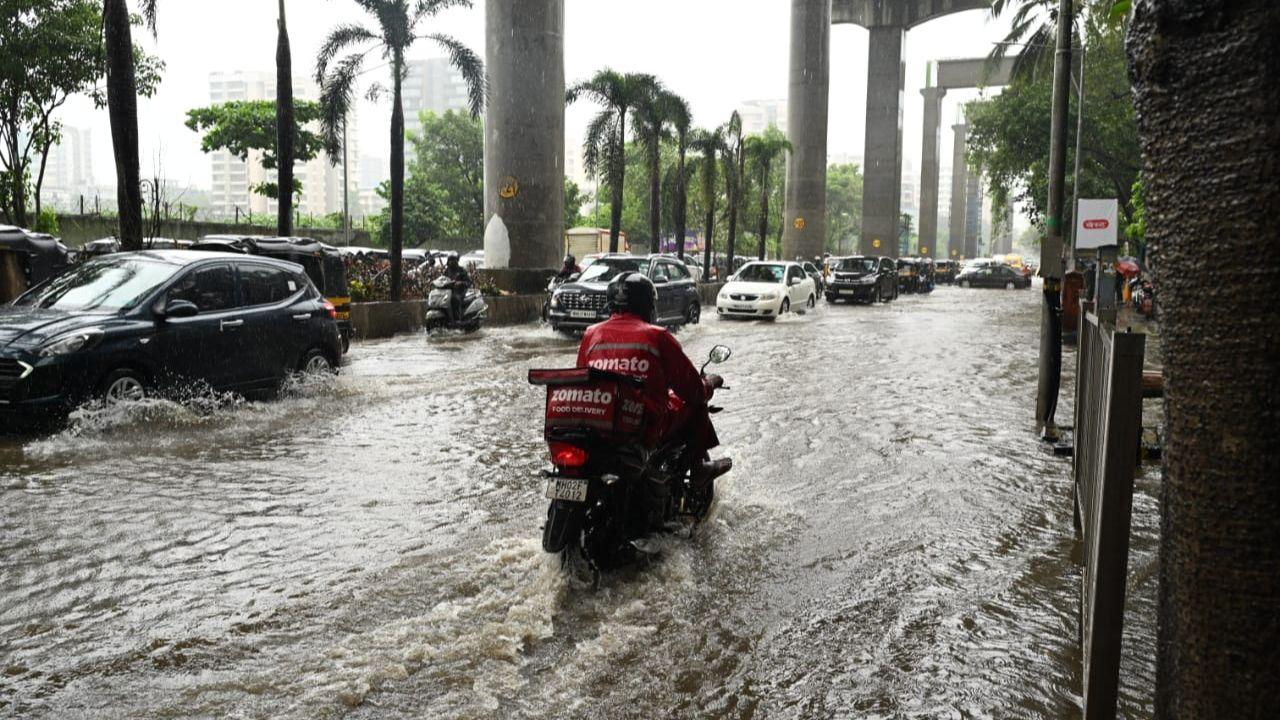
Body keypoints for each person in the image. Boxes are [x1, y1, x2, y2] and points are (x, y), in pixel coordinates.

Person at [575, 272, 730, 490]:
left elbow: (581, 377)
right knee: (696, 403)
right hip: (643, 425)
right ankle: (698, 468)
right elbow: (692, 390)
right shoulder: (657, 336)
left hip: (595, 422)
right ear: (648, 305)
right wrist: (709, 384)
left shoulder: (591, 334)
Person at [442, 252, 471, 323]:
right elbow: (442, 279)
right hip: (447, 292)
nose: (451, 262)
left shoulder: (462, 271)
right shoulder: (446, 271)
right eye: (450, 260)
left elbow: (468, 282)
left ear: (457, 261)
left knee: (455, 299)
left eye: (453, 260)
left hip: (459, 292)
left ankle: (457, 319)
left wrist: (460, 283)